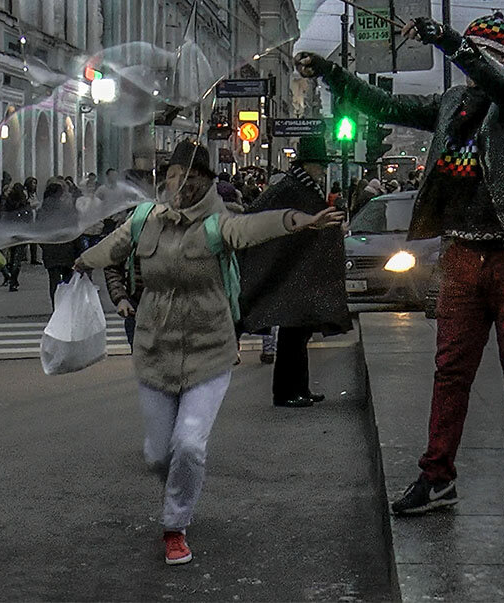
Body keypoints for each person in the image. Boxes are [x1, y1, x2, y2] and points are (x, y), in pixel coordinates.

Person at [296, 11, 504, 514]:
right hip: (461, 251)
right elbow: (386, 104)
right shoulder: (452, 104)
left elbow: (496, 80)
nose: (475, 68)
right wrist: (333, 75)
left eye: (488, 58)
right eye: (476, 57)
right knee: (450, 370)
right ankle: (437, 477)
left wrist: (452, 41)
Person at [74, 141, 344, 566]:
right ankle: (178, 486)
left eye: (193, 177)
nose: (182, 184)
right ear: (166, 179)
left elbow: (256, 228)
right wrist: (79, 262)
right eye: (176, 176)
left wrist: (302, 221)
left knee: (190, 445)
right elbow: (111, 249)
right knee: (159, 453)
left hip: (210, 348)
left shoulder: (219, 224)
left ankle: (175, 525)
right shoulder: (145, 220)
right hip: (154, 347)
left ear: (207, 183)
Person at [239, 136, 353, 407]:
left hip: (297, 271)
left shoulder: (300, 186)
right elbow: (264, 218)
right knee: (293, 335)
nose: (323, 169)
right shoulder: (292, 188)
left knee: (299, 334)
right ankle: (287, 392)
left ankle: (299, 388)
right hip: (290, 272)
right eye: (320, 164)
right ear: (308, 164)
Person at [0, 183, 33, 292]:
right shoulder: (24, 204)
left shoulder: (9, 203)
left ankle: (12, 277)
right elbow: (29, 220)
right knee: (17, 258)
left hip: (11, 233)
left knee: (12, 255)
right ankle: (13, 280)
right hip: (22, 234)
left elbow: (5, 218)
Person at [24, 176, 41, 264]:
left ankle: (34, 258)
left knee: (34, 240)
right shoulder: (25, 193)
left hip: (34, 217)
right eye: (33, 183)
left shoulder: (34, 194)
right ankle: (24, 255)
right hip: (28, 218)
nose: (34, 185)